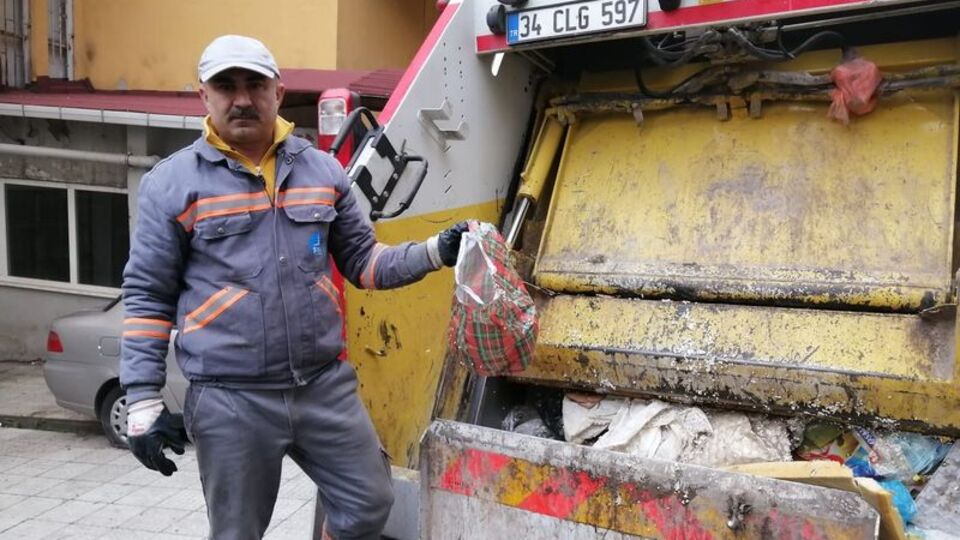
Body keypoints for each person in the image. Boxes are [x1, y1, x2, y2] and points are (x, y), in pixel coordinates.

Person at [119, 34, 466, 540]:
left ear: (277, 93)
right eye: (226, 85)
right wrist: (143, 400)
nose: (241, 98)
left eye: (255, 84)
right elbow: (148, 294)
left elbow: (367, 263)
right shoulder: (171, 185)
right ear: (204, 96)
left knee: (370, 502)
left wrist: (436, 251)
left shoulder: (322, 171)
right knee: (238, 533)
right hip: (231, 397)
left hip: (322, 387)